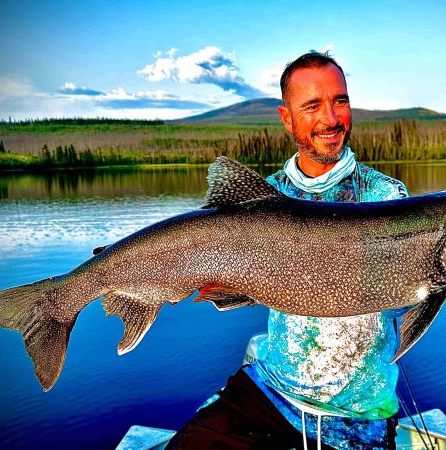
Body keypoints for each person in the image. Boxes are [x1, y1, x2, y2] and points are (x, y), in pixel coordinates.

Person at [167, 51, 408, 450]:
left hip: (358, 413)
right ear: (286, 117)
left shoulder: (386, 197)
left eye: (340, 101)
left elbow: (402, 302)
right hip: (271, 391)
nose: (330, 119)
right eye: (312, 106)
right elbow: (228, 284)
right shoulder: (261, 199)